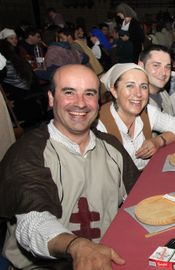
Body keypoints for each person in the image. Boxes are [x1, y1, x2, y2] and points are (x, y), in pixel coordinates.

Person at [0, 64, 139, 269]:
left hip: (109, 258)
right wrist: (76, 246)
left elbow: (138, 200)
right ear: (50, 98)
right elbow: (33, 222)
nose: (80, 103)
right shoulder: (27, 153)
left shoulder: (111, 146)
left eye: (89, 94)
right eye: (69, 92)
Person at [97, 63, 175, 170]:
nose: (138, 93)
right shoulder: (99, 125)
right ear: (114, 91)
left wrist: (158, 141)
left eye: (143, 86)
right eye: (130, 86)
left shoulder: (147, 113)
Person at [138, 45, 175, 116]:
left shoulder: (163, 93)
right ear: (141, 66)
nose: (164, 73)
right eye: (156, 65)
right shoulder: (136, 103)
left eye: (167, 67)